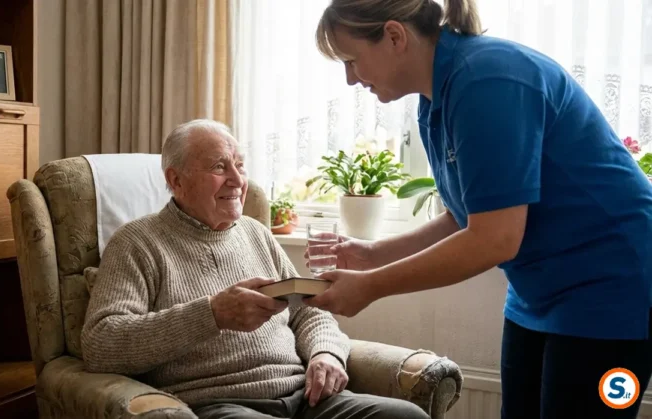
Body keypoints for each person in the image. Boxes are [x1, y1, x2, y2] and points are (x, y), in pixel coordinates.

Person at [306, 0, 652, 418]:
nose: (349, 79)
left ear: (395, 36)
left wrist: (371, 286)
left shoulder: (486, 80)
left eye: (352, 60)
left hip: (613, 288)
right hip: (538, 293)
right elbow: (465, 215)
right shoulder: (435, 100)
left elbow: (495, 239)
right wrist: (371, 255)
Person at [81, 119, 429, 419]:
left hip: (305, 397)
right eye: (219, 167)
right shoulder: (137, 243)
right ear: (176, 180)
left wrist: (325, 353)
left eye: (240, 165)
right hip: (221, 403)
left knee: (407, 416)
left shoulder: (255, 232)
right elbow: (101, 343)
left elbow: (309, 311)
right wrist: (211, 314)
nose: (237, 180)